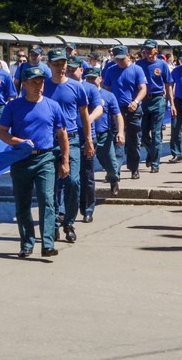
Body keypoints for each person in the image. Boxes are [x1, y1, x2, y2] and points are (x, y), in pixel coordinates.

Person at [0, 65, 68, 259]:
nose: (39, 86)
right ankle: (27, 243)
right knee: (23, 204)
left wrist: (64, 161)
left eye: (41, 82)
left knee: (47, 200)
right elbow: (2, 133)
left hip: (45, 158)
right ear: (25, 85)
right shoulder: (13, 107)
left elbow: (62, 135)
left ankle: (47, 244)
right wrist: (17, 141)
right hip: (21, 160)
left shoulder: (52, 106)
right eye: (34, 83)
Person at [43, 48, 92, 243]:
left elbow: (84, 115)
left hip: (71, 139)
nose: (60, 67)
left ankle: (69, 222)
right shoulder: (43, 87)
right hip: (48, 140)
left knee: (73, 182)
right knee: (50, 186)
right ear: (49, 65)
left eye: (62, 63)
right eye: (55, 64)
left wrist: (88, 139)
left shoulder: (76, 87)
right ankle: (53, 222)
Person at [102, 45, 147, 179]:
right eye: (118, 59)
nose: (121, 61)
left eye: (122, 58)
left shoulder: (137, 70)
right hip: (117, 110)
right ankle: (116, 170)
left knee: (133, 140)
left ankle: (134, 167)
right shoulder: (111, 70)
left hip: (132, 108)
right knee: (118, 139)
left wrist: (136, 101)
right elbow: (107, 89)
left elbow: (143, 89)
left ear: (128, 56)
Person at [70, 57, 103, 221]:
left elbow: (99, 108)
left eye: (73, 69)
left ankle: (87, 208)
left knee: (86, 175)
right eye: (68, 69)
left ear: (81, 70)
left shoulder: (89, 88)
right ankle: (65, 211)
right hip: (67, 138)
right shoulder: (63, 87)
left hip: (86, 138)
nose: (70, 72)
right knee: (68, 177)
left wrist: (87, 119)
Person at [84, 67, 123, 195]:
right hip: (86, 135)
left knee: (111, 164)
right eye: (88, 78)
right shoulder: (82, 93)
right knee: (85, 167)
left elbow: (117, 115)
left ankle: (113, 179)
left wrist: (120, 132)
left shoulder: (108, 95)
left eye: (93, 78)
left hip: (103, 135)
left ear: (100, 79)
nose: (91, 81)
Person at [136, 40, 172, 174]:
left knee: (156, 133)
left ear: (156, 50)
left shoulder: (162, 65)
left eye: (150, 50)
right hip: (144, 100)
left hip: (158, 99)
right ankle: (151, 153)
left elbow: (168, 84)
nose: (148, 52)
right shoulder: (139, 65)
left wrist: (171, 103)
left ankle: (155, 163)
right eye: (146, 50)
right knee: (144, 134)